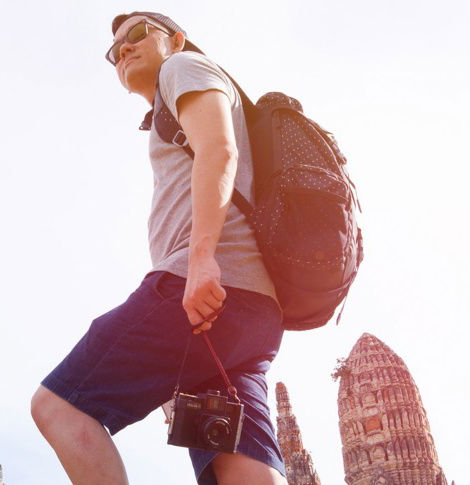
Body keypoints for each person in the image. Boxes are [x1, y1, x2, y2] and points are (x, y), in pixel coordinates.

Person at [30, 11, 287, 485]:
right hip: (251, 314)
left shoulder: (181, 67)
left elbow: (218, 149)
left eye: (137, 34)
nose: (123, 48)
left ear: (176, 39)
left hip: (201, 291)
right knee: (239, 466)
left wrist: (201, 258)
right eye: (114, 50)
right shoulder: (172, 101)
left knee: (60, 405)